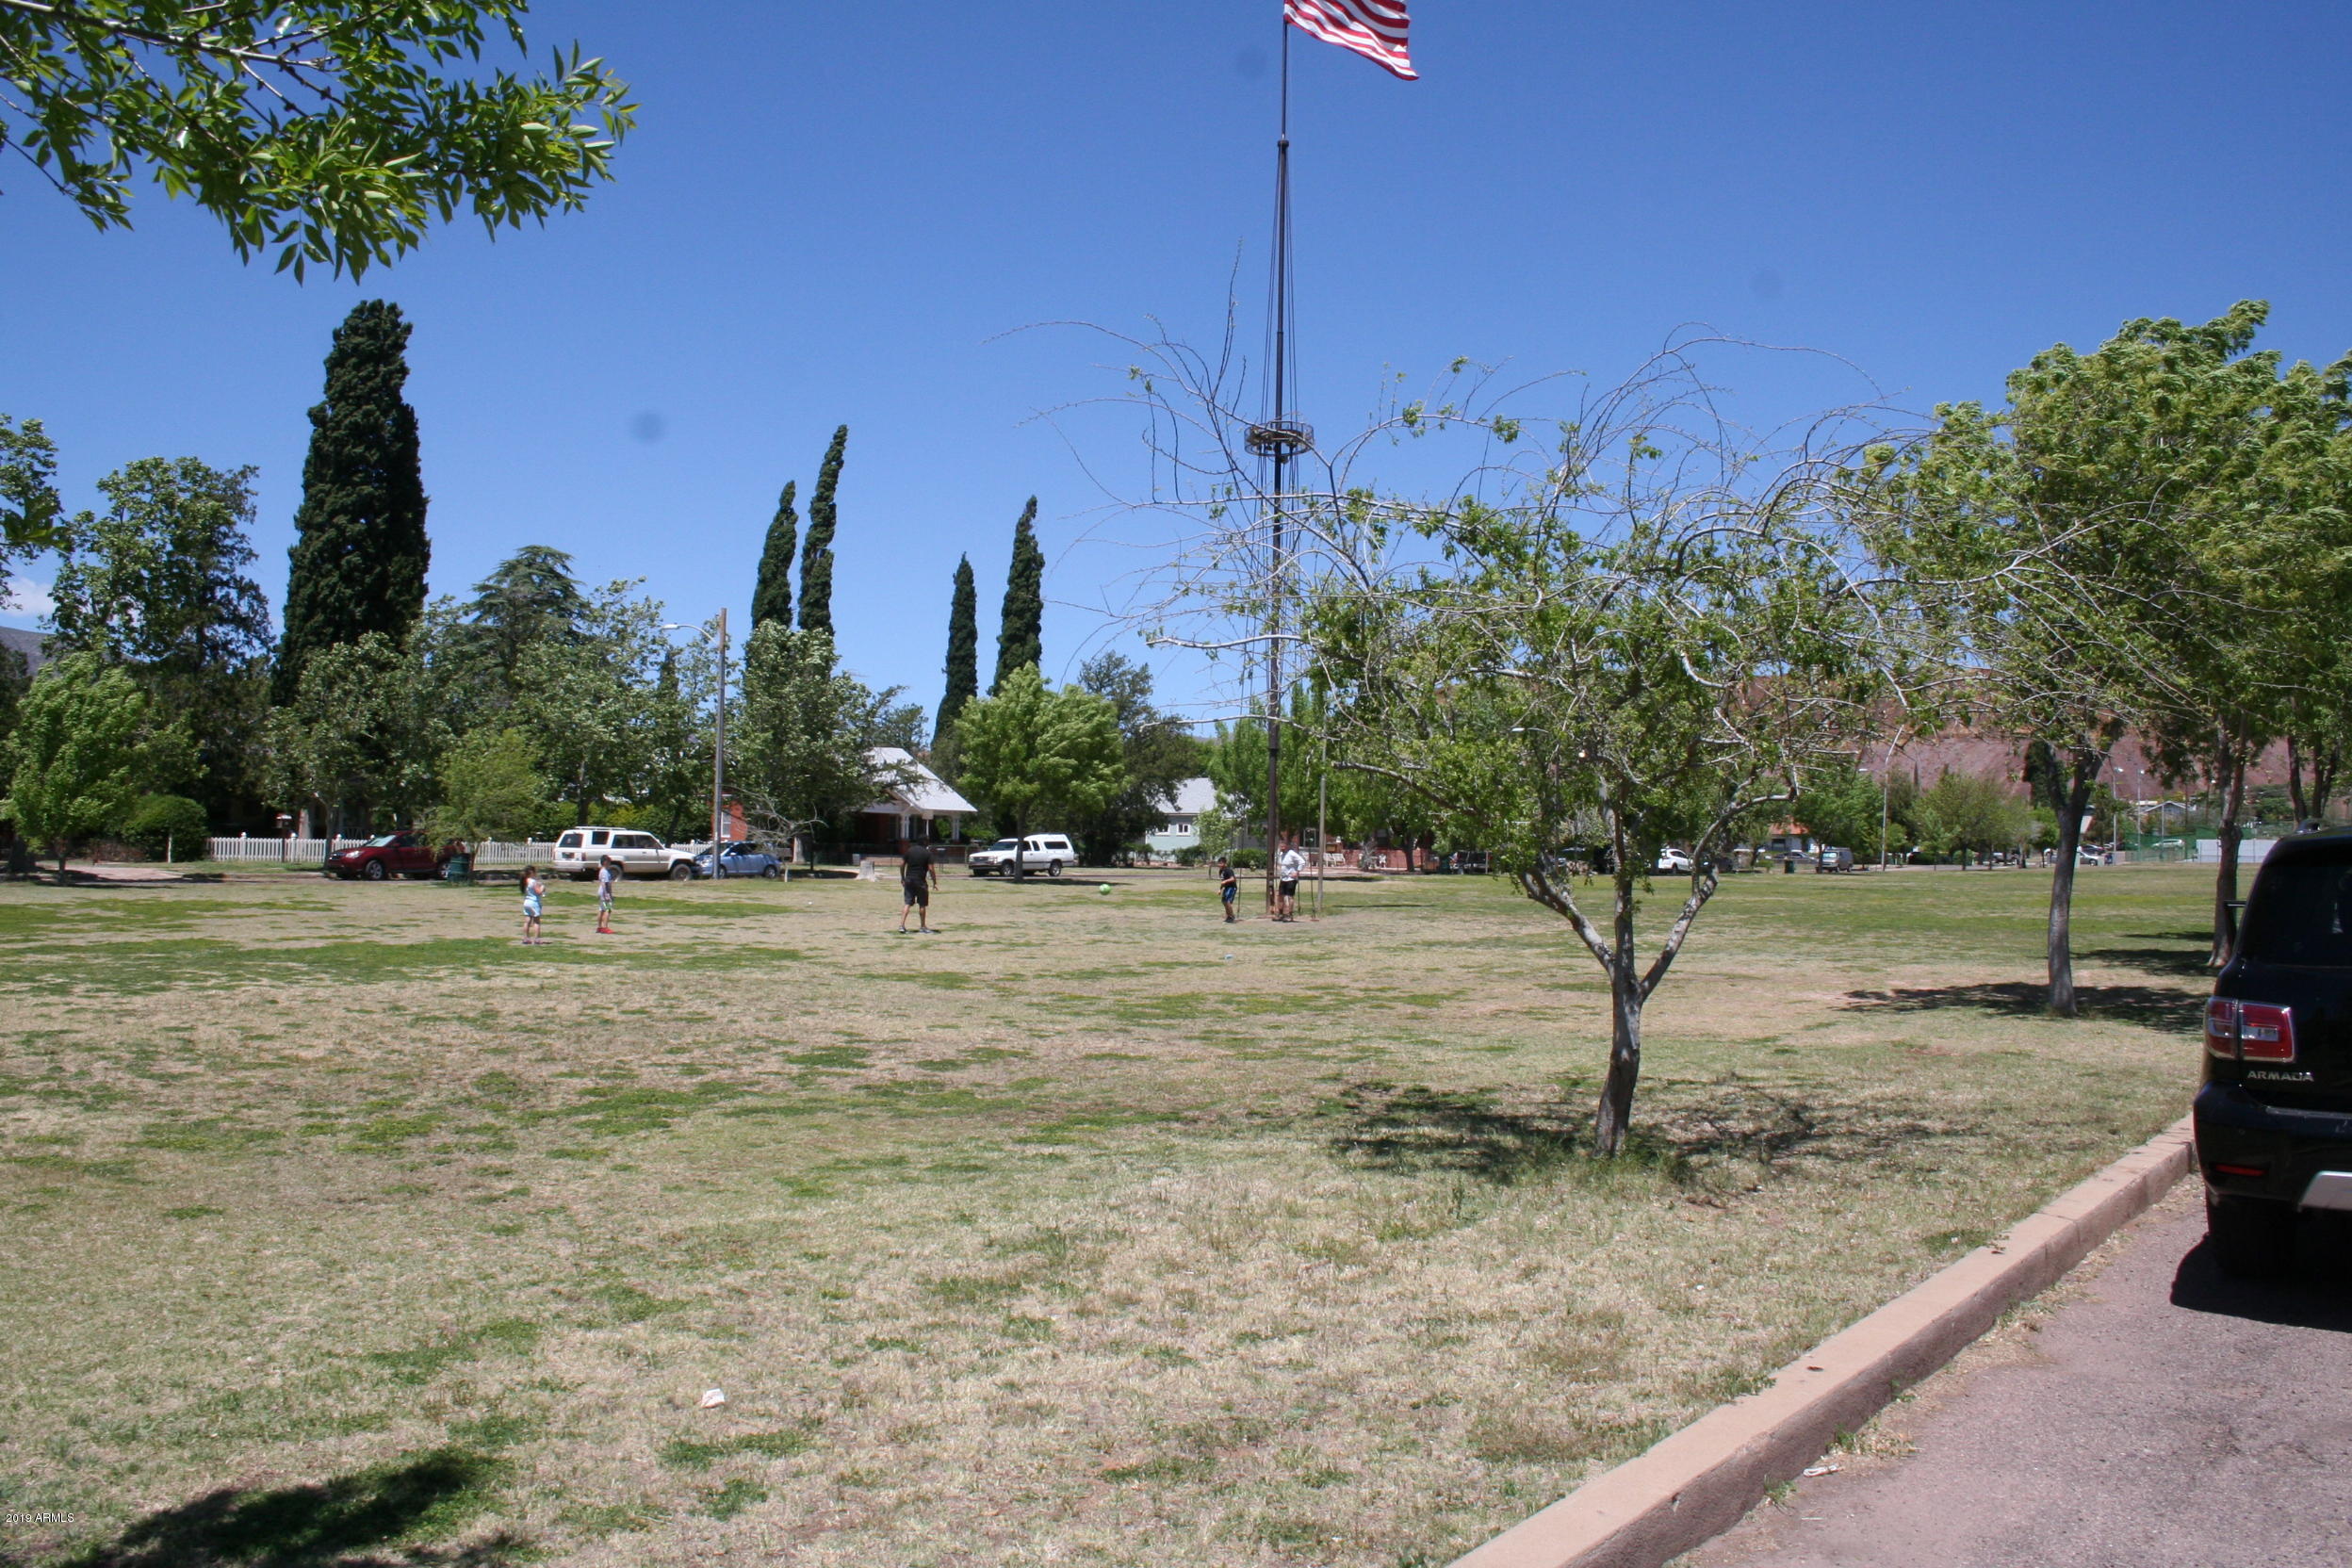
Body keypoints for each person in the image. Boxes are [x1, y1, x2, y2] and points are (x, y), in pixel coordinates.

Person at [896, 836, 939, 934]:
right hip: (920, 881)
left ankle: (901, 925)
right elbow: (931, 869)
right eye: (927, 841)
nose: (928, 843)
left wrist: (903, 877)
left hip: (909, 880)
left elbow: (902, 865)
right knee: (922, 904)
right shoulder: (927, 853)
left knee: (907, 903)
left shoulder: (909, 851)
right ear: (924, 841)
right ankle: (923, 927)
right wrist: (934, 882)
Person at [1278, 842, 1307, 921]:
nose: (1282, 848)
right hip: (1283, 878)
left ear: (1287, 846)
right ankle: (1281, 914)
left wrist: (1297, 872)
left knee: (1290, 896)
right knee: (1281, 896)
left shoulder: (1292, 853)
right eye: (1281, 846)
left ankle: (1290, 914)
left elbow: (1302, 862)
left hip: (1291, 879)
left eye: (1283, 846)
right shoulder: (1280, 854)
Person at [520, 864, 546, 945]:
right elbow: (538, 892)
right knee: (536, 921)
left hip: (527, 902)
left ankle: (526, 938)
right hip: (534, 902)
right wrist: (542, 888)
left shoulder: (525, 881)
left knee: (527, 921)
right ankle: (537, 939)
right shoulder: (533, 882)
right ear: (532, 872)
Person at [596, 855, 617, 935]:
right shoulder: (604, 872)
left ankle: (599, 927)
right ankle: (605, 927)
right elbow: (604, 884)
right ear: (605, 862)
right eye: (608, 861)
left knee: (601, 909)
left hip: (602, 892)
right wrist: (607, 894)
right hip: (605, 893)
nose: (609, 863)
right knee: (608, 909)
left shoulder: (602, 871)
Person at [1217, 856, 1238, 923]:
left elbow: (1233, 879)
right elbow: (1222, 881)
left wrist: (1225, 881)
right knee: (1224, 901)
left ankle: (1231, 916)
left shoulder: (1228, 870)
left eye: (1221, 863)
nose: (1219, 865)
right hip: (1226, 887)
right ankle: (1229, 916)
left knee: (1228, 901)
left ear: (1225, 864)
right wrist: (1220, 889)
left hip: (1232, 887)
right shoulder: (1221, 871)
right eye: (1219, 863)